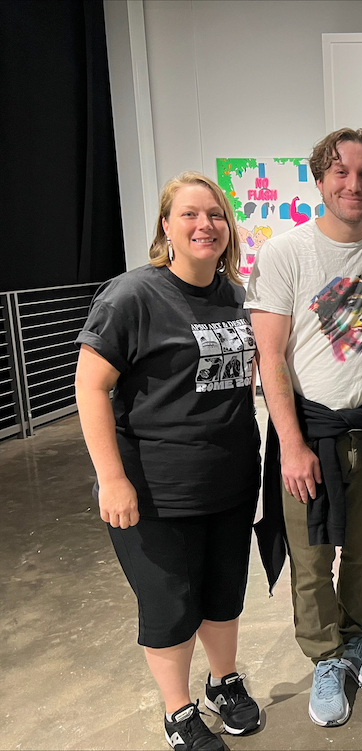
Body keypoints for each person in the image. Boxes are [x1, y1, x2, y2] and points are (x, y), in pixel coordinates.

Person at [75, 172, 262, 751]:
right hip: (156, 488)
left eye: (215, 215)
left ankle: (223, 681)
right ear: (166, 227)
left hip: (230, 480)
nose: (205, 225)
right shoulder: (133, 295)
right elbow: (89, 386)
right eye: (190, 215)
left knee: (223, 593)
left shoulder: (236, 293)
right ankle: (178, 711)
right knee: (170, 604)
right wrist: (112, 478)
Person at [246, 128, 362, 728]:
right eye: (342, 172)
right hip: (310, 432)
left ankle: (354, 637)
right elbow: (270, 358)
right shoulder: (285, 254)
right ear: (320, 179)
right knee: (313, 554)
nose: (355, 184)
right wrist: (290, 446)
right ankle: (324, 655)